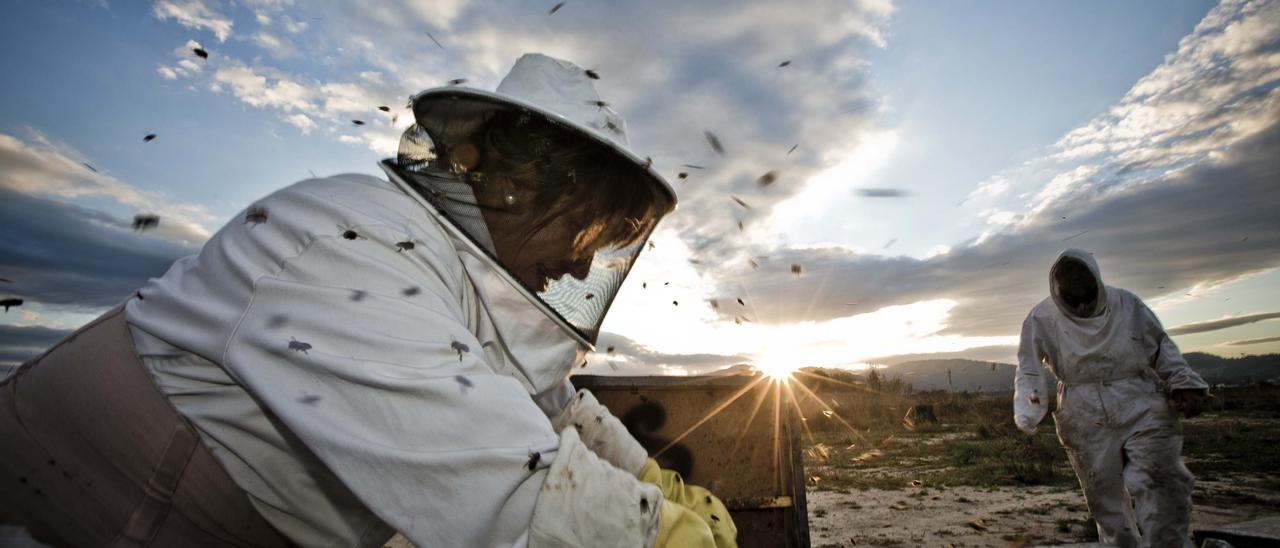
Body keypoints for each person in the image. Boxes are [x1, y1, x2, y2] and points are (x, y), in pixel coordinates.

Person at [0, 53, 735, 548]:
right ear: (510, 185)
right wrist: (660, 532)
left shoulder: (454, 281)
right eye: (581, 226)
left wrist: (646, 477)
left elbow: (550, 400)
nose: (580, 258)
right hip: (72, 512)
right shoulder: (349, 240)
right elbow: (511, 497)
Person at [1014, 248, 1209, 548]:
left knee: (1161, 480)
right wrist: (1029, 409)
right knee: (1103, 495)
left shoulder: (1126, 304)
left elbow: (1160, 346)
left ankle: (1168, 543)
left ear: (1095, 274)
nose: (1075, 281)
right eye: (1067, 277)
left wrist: (1184, 382)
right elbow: (1028, 367)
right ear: (1056, 284)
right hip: (1082, 409)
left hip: (1140, 400)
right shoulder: (1041, 317)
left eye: (1081, 273)